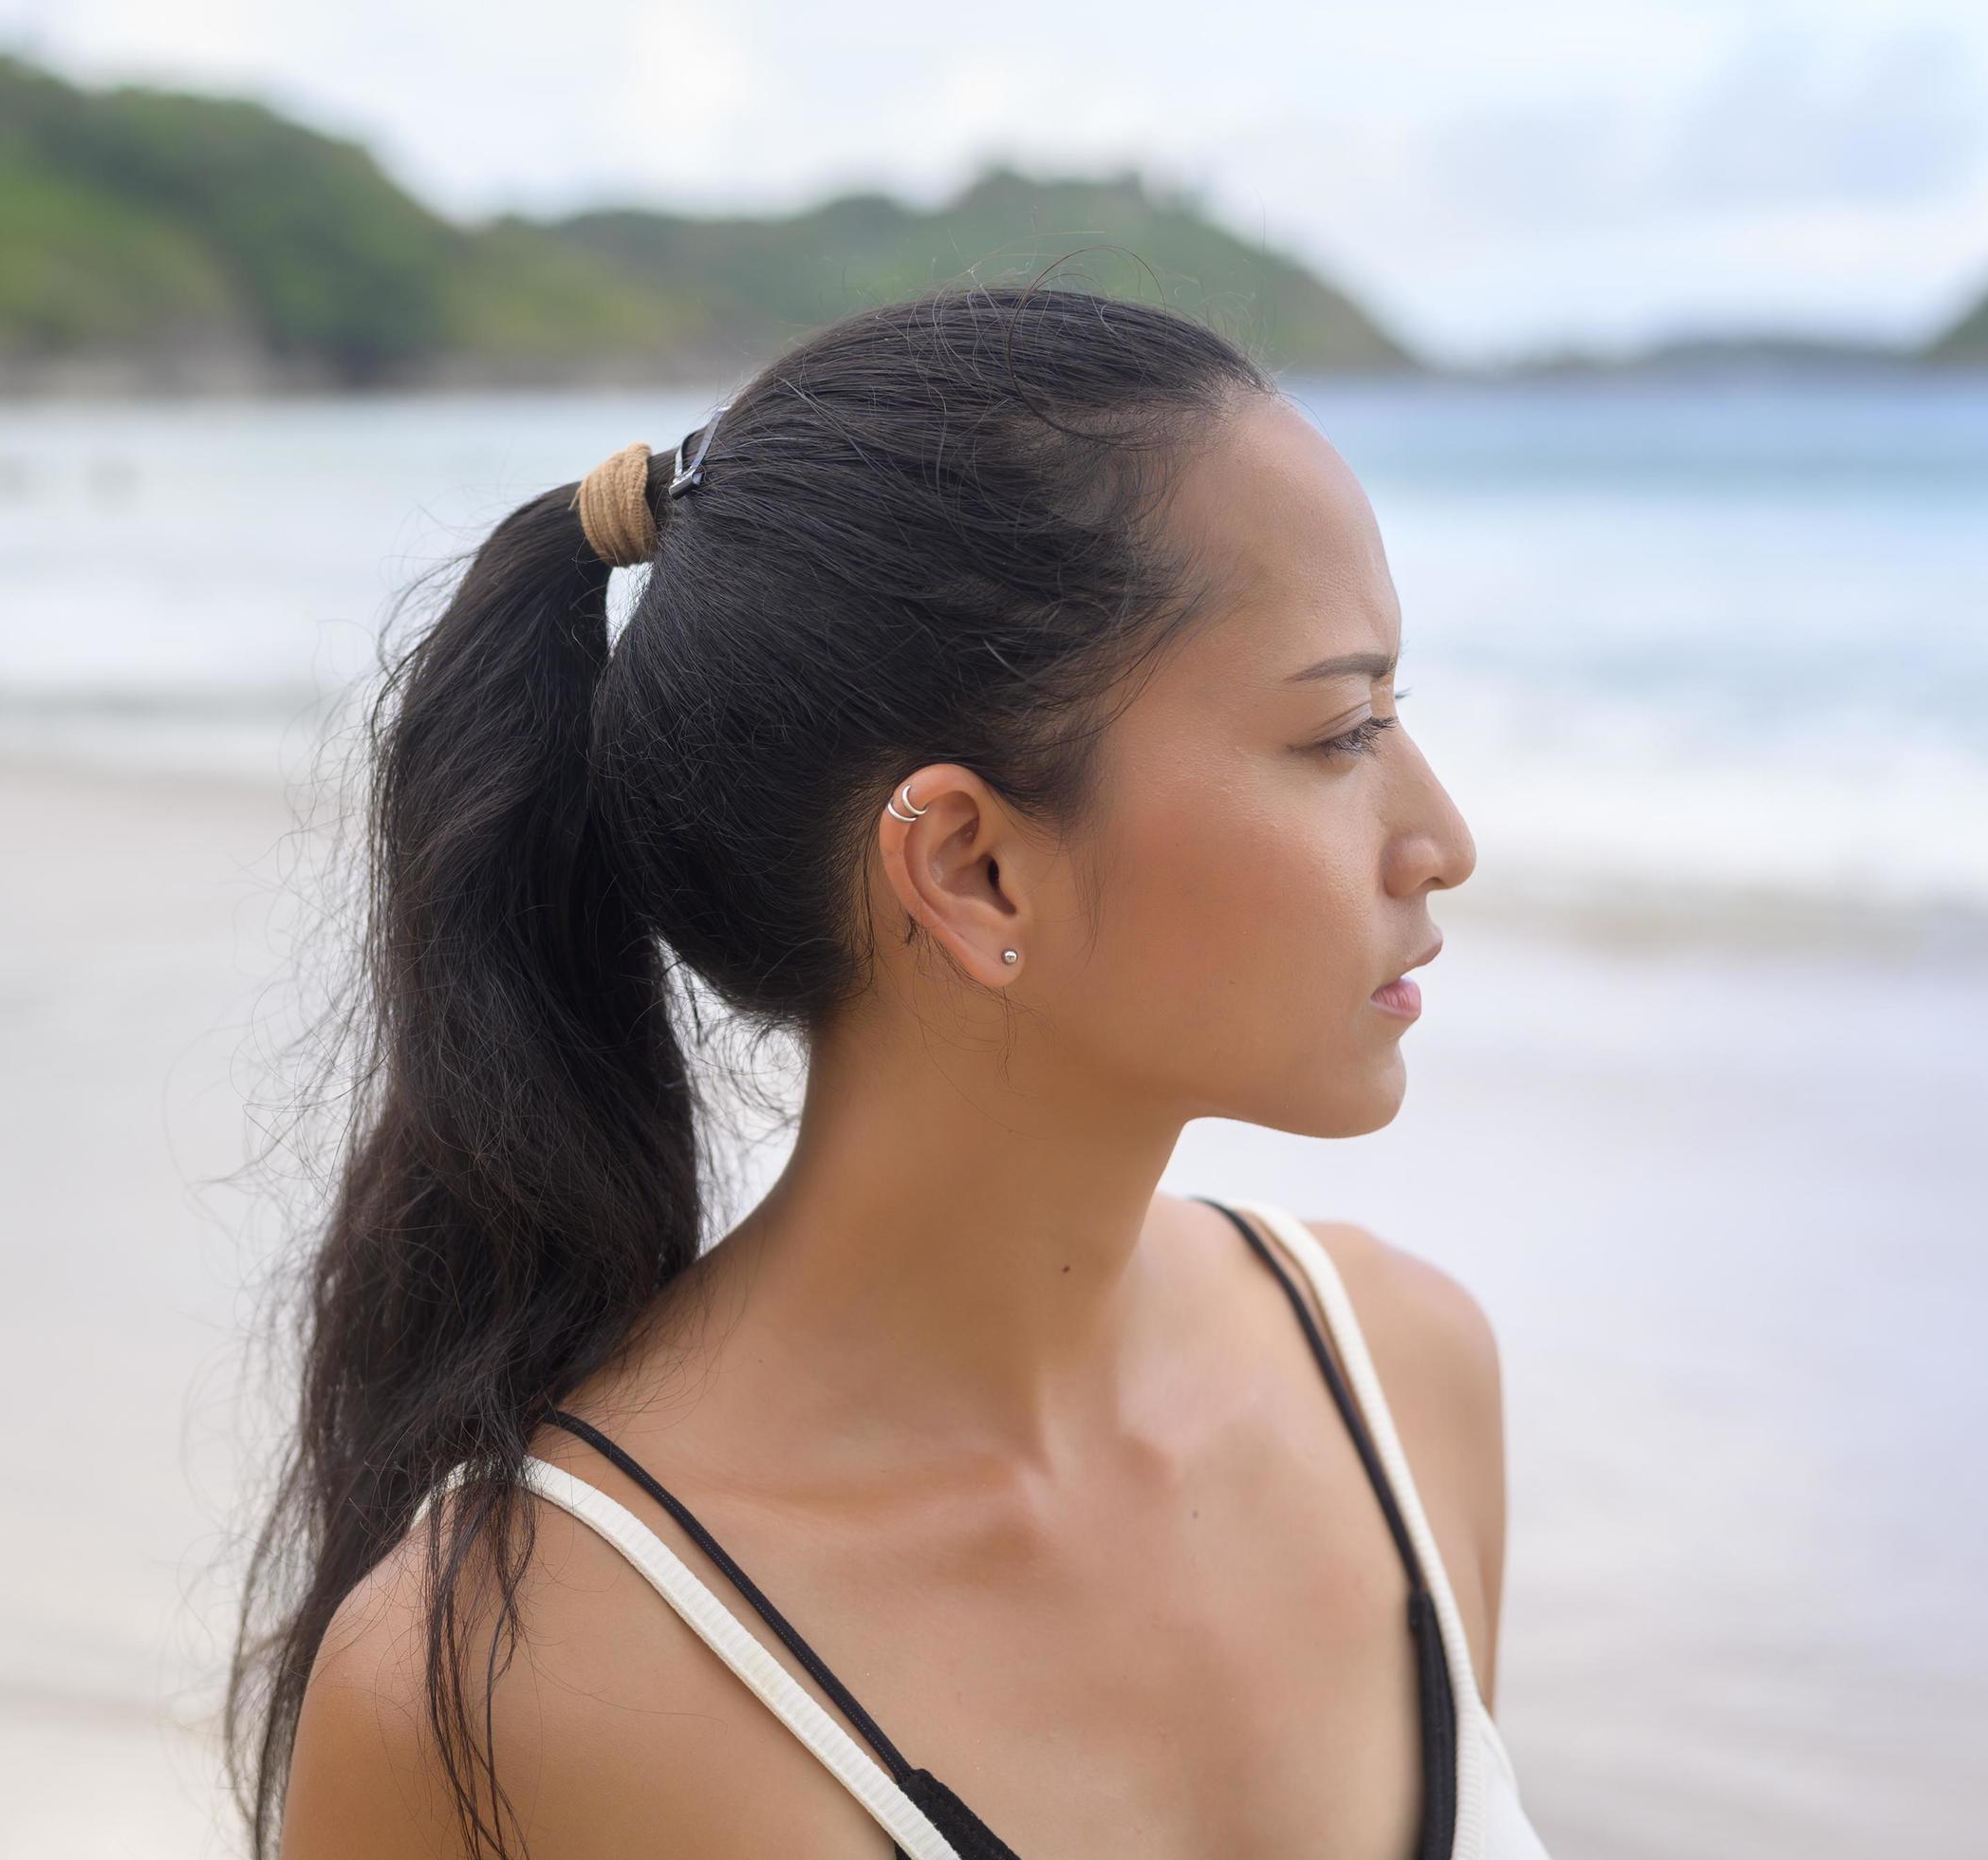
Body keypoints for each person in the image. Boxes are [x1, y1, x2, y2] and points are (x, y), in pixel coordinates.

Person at [225, 280, 1546, 1858]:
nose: (1442, 840)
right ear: (973, 869)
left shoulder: (1402, 1389)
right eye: (1340, 734)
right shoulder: (516, 1685)